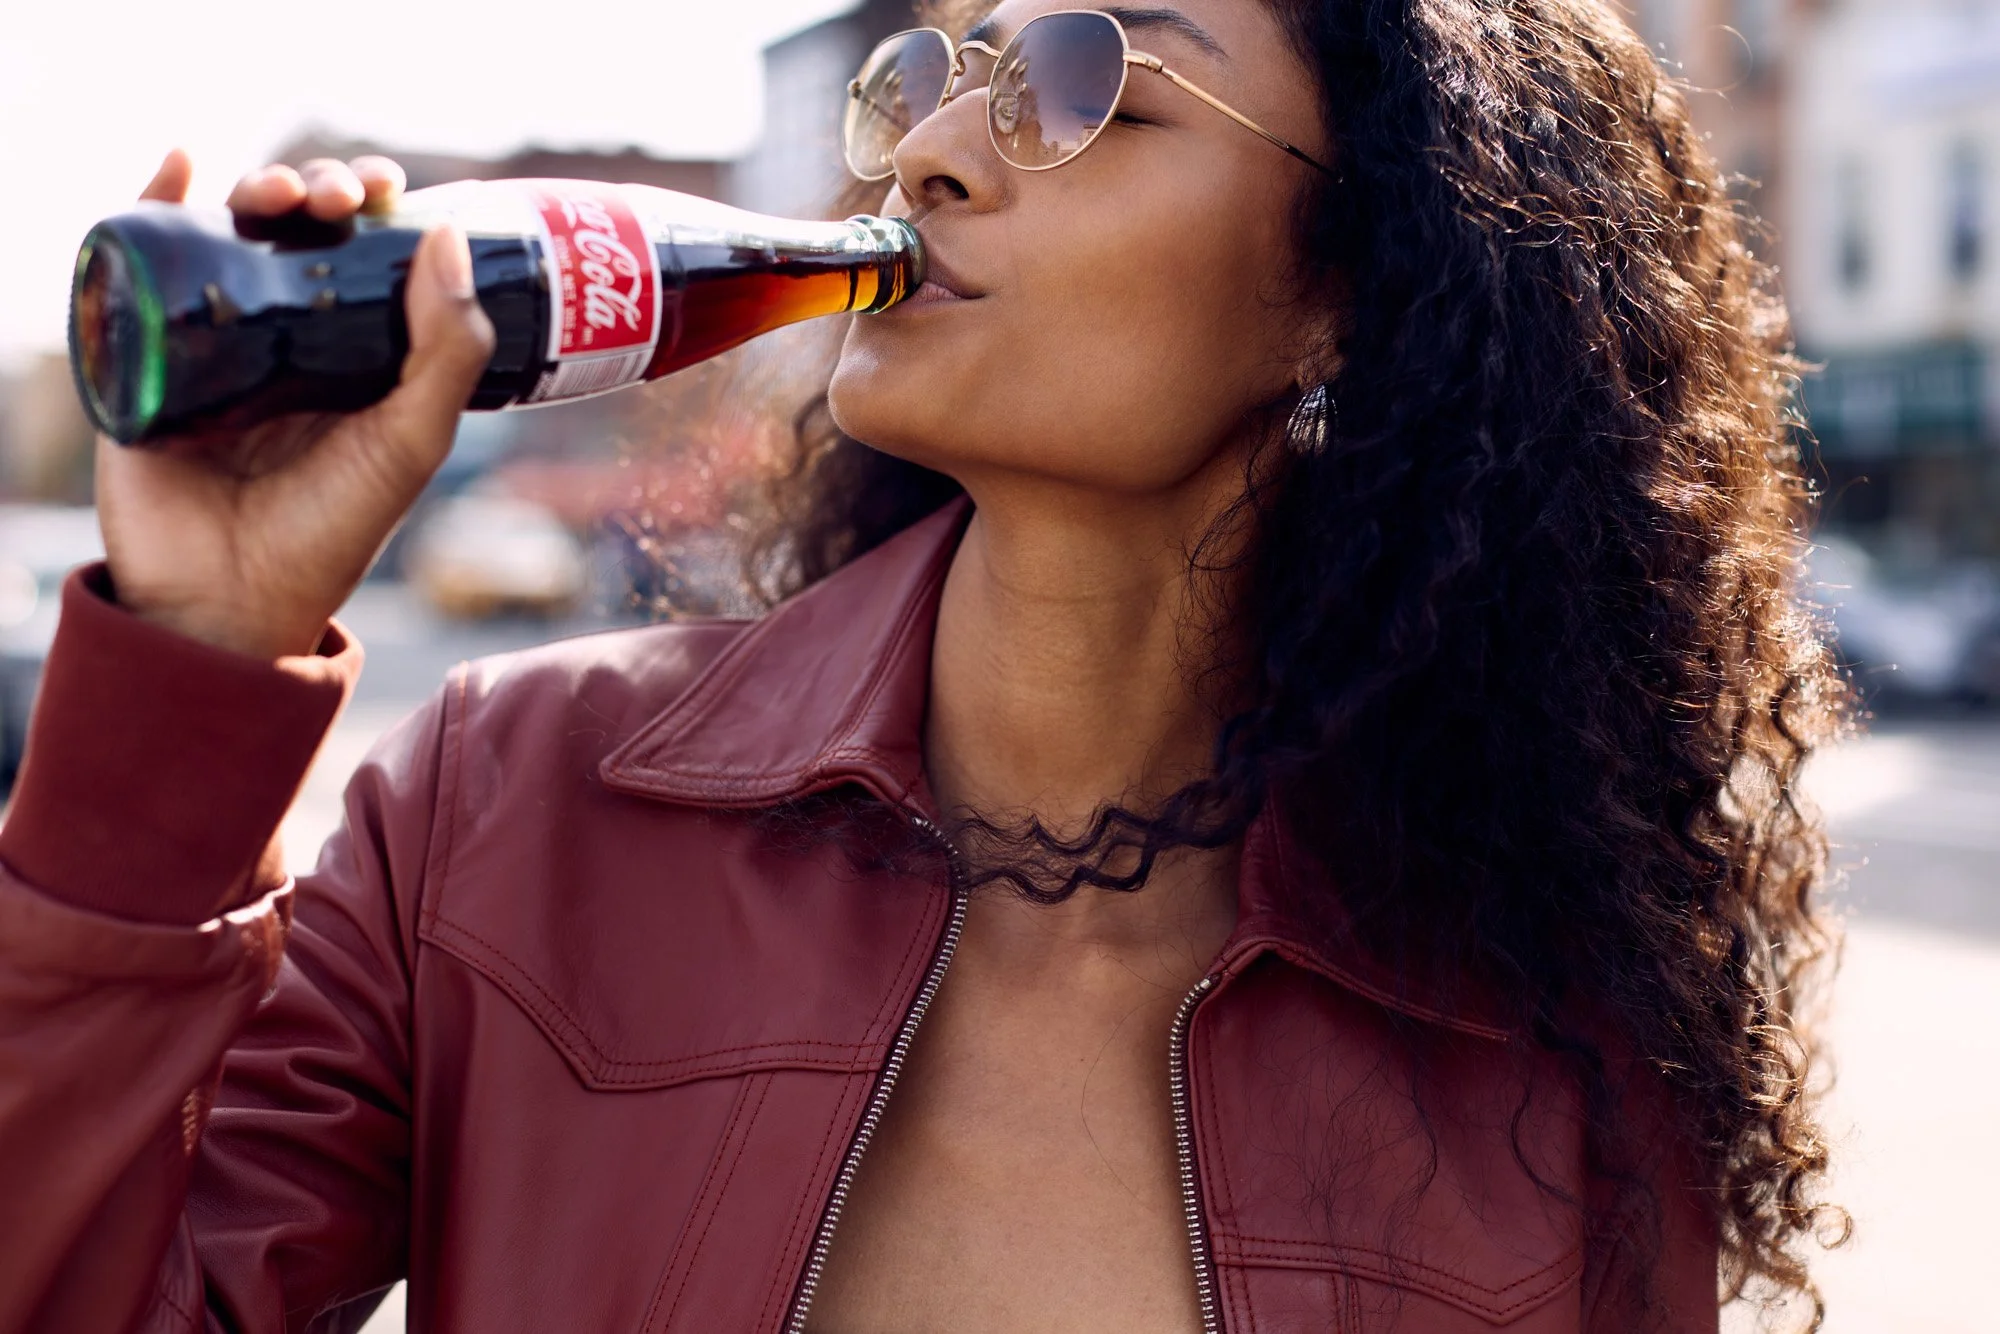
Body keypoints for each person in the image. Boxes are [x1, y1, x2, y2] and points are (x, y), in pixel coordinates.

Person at [0, 0, 1848, 1330]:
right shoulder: (505, 808)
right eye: (946, 73)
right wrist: (196, 644)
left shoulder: (1549, 1045)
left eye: (1088, 82)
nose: (939, 146)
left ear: (1351, 286)